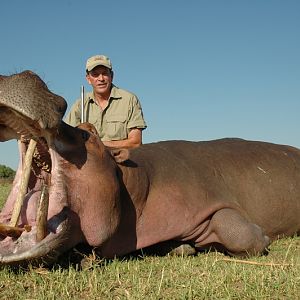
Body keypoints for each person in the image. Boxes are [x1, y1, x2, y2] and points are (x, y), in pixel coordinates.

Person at [65, 54, 147, 149]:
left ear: (111, 76)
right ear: (88, 79)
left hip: (120, 160)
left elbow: (135, 142)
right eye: (95, 75)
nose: (101, 79)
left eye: (104, 73)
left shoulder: (129, 100)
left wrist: (98, 144)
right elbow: (67, 138)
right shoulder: (80, 104)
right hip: (91, 162)